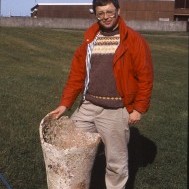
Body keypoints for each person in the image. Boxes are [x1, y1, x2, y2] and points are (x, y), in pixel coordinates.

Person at [49, 0, 153, 188]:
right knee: (70, 149)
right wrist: (65, 104)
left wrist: (138, 108)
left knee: (116, 163)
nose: (105, 17)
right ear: (95, 14)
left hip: (116, 111)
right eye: (100, 13)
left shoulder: (134, 40)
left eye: (110, 12)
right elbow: (77, 76)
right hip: (88, 107)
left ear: (118, 11)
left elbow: (145, 76)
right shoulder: (90, 39)